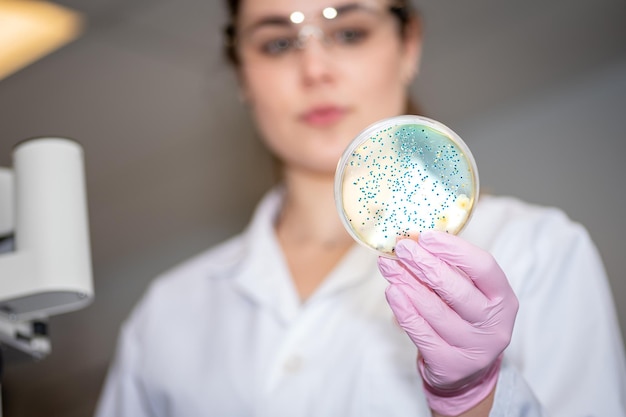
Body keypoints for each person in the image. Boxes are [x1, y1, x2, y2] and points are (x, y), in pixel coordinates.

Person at [94, 0, 626, 416]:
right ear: (241, 75)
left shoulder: (535, 247)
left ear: (409, 45)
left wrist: (476, 399)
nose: (315, 68)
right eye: (278, 43)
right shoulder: (168, 315)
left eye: (348, 32)